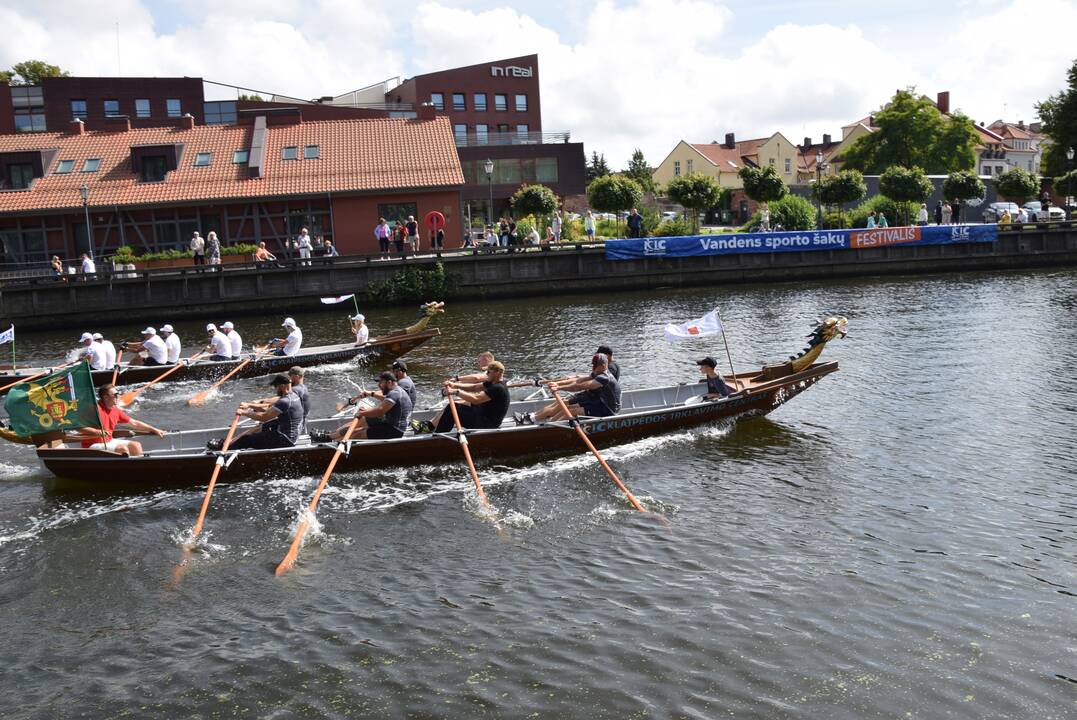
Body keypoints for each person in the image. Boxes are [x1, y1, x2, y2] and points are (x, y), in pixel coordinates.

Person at [516, 353, 620, 424]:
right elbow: (578, 380)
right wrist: (557, 383)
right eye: (593, 365)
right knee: (569, 408)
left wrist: (559, 387)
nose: (593, 368)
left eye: (595, 365)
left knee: (573, 411)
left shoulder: (604, 377)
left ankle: (549, 429)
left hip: (608, 409)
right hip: (600, 402)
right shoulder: (598, 372)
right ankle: (550, 424)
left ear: (603, 365)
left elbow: (580, 386)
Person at [212, 374, 303, 451]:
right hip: (290, 432)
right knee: (260, 427)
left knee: (246, 440)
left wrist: (244, 413)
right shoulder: (293, 395)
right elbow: (269, 410)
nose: (275, 389)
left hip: (285, 439)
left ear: (282, 386)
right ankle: (228, 443)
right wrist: (249, 406)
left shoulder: (285, 401)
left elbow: (264, 417)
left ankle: (225, 450)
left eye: (276, 387)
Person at [315, 371, 413, 441]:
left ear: (389, 382)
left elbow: (380, 411)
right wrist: (370, 395)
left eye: (380, 383)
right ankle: (331, 436)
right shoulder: (396, 390)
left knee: (358, 433)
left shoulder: (394, 393)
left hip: (394, 429)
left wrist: (361, 412)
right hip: (388, 422)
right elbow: (384, 399)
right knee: (363, 419)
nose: (379, 385)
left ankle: (337, 443)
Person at [419, 360, 510, 433]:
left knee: (453, 411)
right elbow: (474, 387)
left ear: (497, 373)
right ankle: (436, 429)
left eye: (488, 372)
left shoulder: (498, 388)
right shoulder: (491, 382)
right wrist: (454, 385)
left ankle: (439, 436)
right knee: (454, 405)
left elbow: (476, 400)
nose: (486, 374)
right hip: (481, 415)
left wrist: (455, 392)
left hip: (487, 423)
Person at [79, 383, 165, 456]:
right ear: (105, 397)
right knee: (122, 449)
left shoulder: (115, 410)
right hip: (91, 445)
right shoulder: (94, 409)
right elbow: (77, 426)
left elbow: (134, 423)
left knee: (136, 445)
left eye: (118, 393)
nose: (118, 396)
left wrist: (153, 429)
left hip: (108, 441)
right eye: (115, 395)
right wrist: (96, 432)